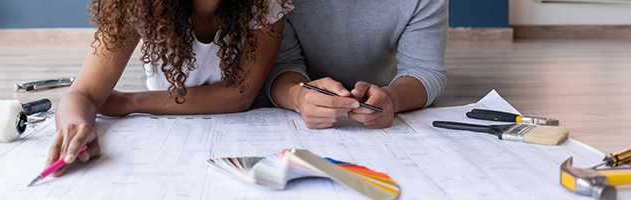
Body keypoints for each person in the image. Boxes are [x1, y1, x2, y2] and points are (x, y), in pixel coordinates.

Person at [47, 0, 293, 176]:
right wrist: (75, 127)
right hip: (165, 137)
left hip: (242, 134)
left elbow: (240, 94)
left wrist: (131, 102)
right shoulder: (136, 5)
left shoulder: (266, 3)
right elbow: (83, 93)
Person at [265, 0, 448, 129]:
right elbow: (281, 65)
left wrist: (392, 97)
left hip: (383, 87)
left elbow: (424, 70)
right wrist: (297, 97)